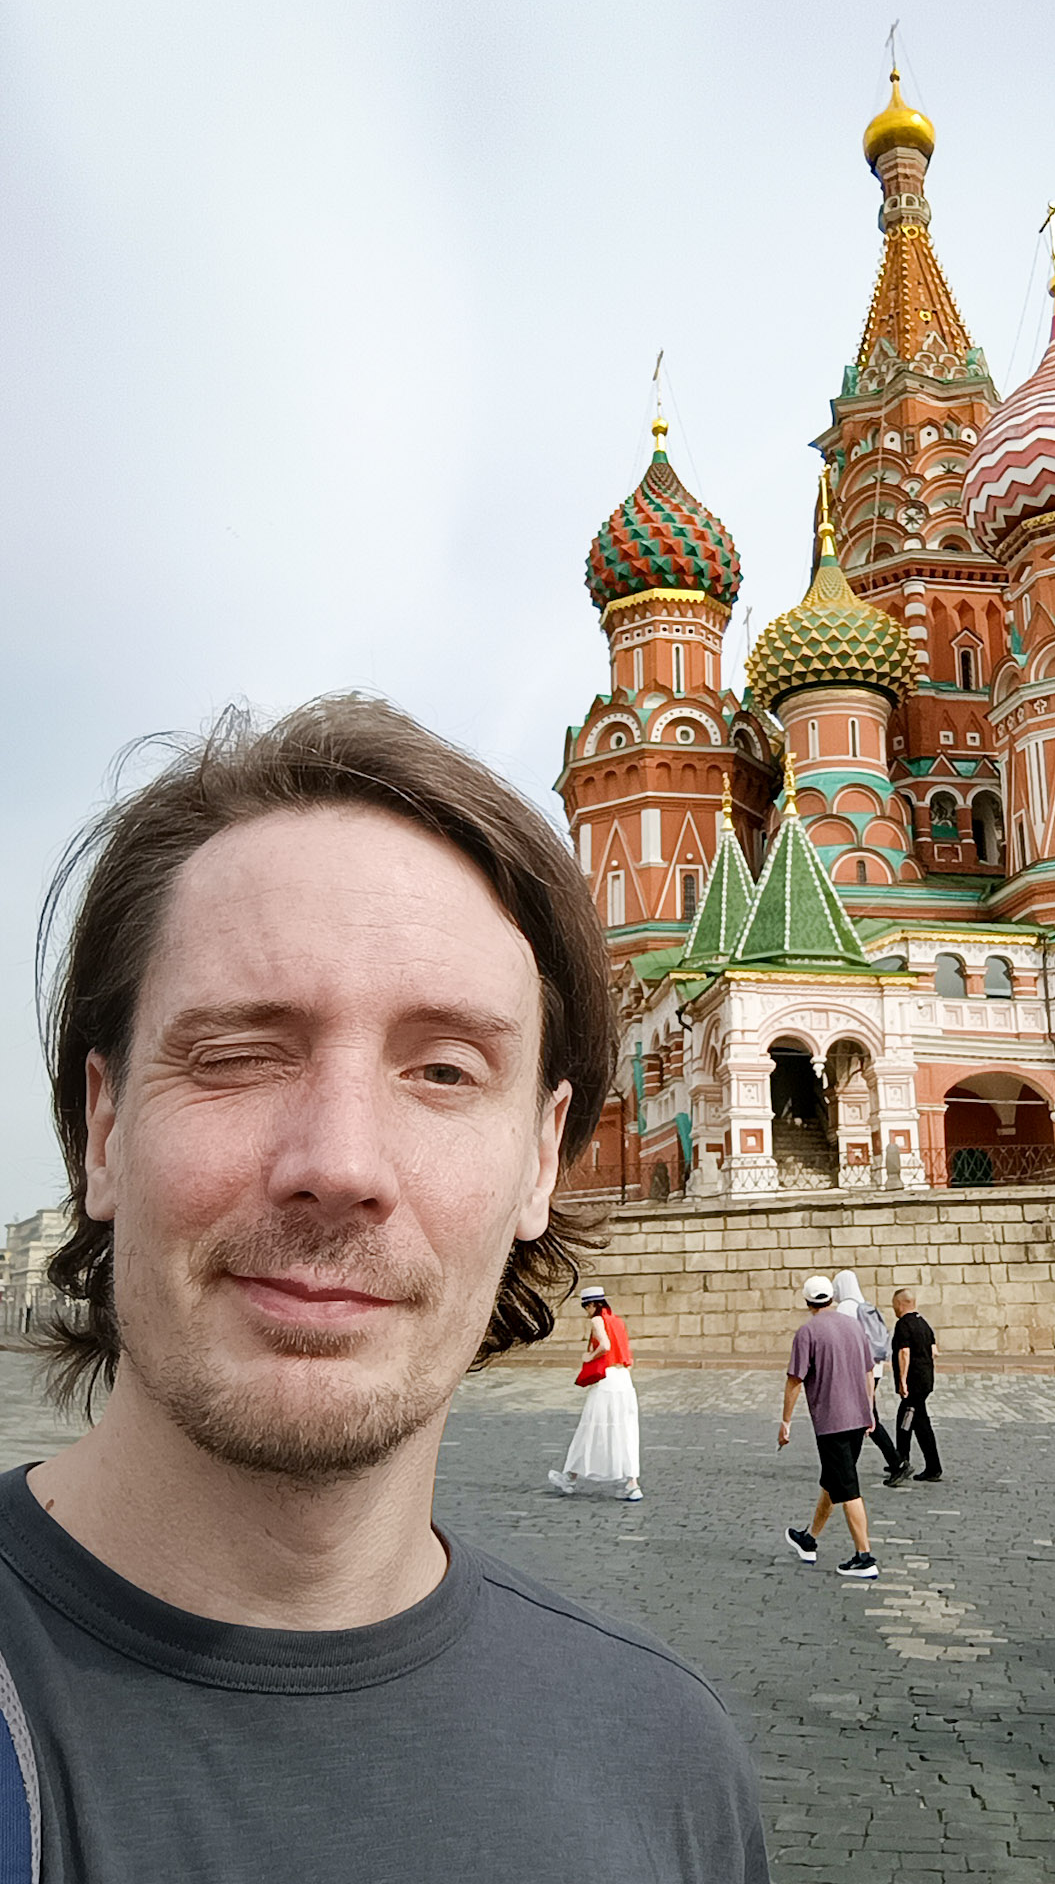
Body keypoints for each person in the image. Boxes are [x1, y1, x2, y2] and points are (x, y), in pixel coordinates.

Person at [1, 697, 769, 1882]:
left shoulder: (667, 1761)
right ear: (103, 1129)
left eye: (445, 1069)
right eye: (239, 1055)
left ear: (540, 1155)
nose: (340, 1164)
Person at [779, 1275, 879, 1579]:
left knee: (848, 1488)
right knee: (834, 1479)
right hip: (858, 1416)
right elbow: (868, 1371)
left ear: (808, 1301)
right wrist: (870, 1410)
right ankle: (809, 1539)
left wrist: (785, 1422)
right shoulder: (853, 1326)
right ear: (831, 1298)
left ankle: (865, 1556)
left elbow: (795, 1380)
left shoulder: (807, 1332)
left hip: (832, 1422)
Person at [548, 1286, 642, 1501]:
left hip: (607, 1379)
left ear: (592, 1305)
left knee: (590, 1427)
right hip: (624, 1380)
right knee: (626, 1431)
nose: (586, 1311)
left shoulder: (597, 1321)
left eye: (586, 1307)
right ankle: (631, 1483)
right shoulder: (617, 1321)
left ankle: (570, 1477)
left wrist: (589, 1356)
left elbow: (606, 1346)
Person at [832, 1269, 899, 1477]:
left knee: (865, 1416)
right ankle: (893, 1461)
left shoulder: (845, 1308)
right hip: (874, 1368)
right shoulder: (865, 1305)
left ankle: (894, 1463)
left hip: (858, 1369)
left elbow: (841, 1342)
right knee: (867, 1413)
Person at [888, 1288, 942, 1485]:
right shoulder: (923, 1323)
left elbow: (904, 1353)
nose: (894, 1309)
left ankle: (928, 1466)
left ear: (901, 1304)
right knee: (909, 1420)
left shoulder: (904, 1324)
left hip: (913, 1384)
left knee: (915, 1422)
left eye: (894, 1305)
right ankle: (900, 1458)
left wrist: (902, 1380)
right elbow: (935, 1351)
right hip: (925, 1380)